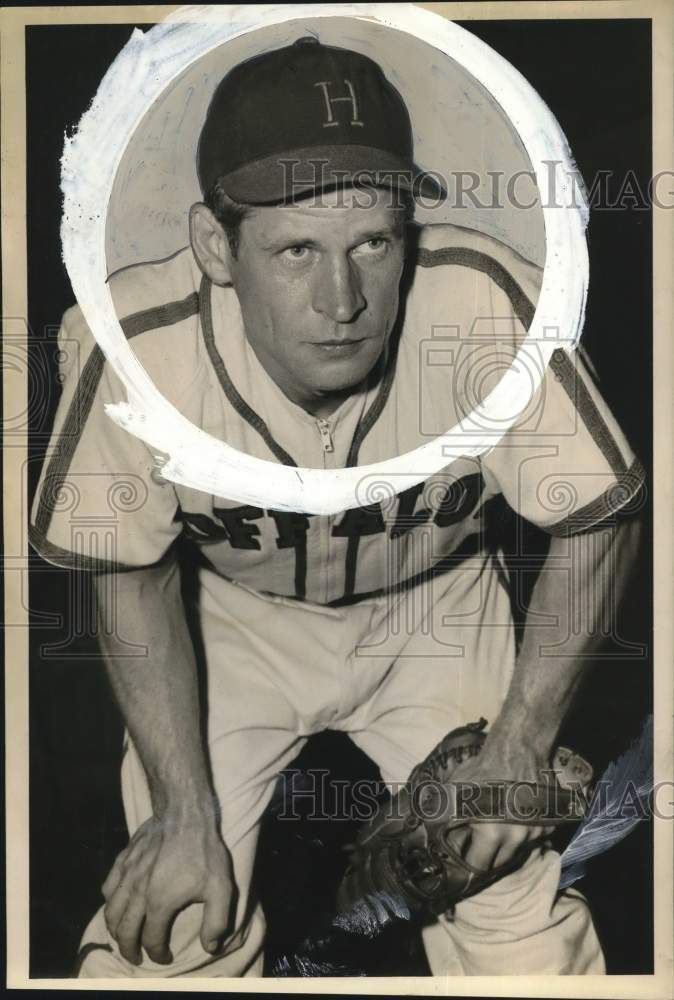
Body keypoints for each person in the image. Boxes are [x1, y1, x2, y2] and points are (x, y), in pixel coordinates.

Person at [31, 36, 644, 978]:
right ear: (215, 246)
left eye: (372, 241)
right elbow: (129, 569)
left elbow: (600, 513)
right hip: (233, 620)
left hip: (437, 607)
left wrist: (522, 737)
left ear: (409, 230)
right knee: (179, 923)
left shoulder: (482, 307)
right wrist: (183, 810)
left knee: (512, 911)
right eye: (295, 250)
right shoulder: (135, 346)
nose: (344, 297)